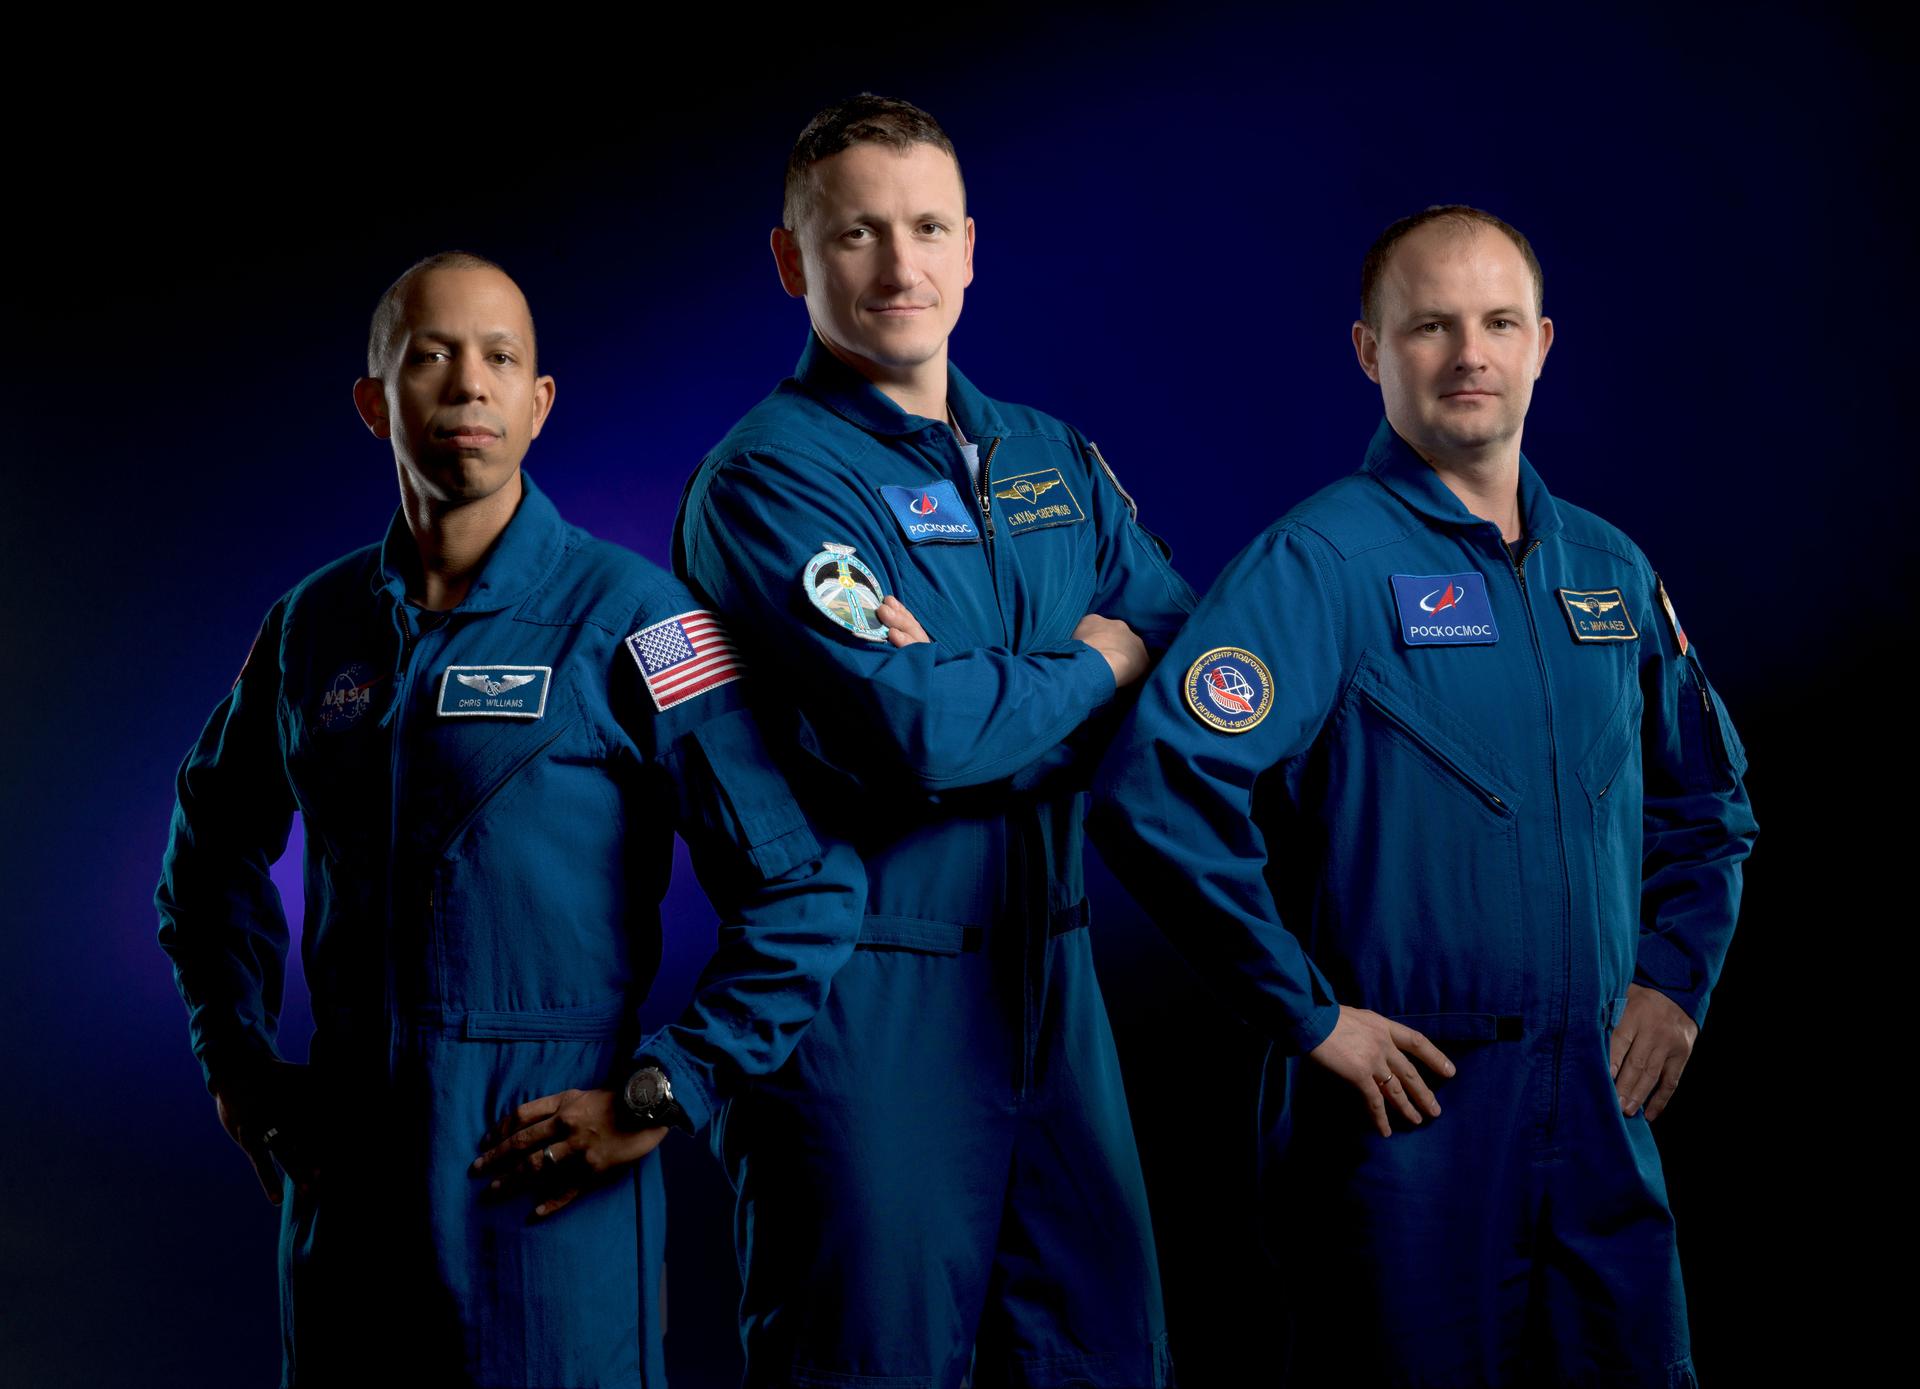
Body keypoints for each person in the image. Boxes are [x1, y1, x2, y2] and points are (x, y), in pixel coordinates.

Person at [155, 252, 863, 1389]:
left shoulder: (637, 620)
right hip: (354, 1177)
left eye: (499, 359)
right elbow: (210, 848)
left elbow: (803, 886)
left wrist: (664, 1087)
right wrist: (235, 1060)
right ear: (375, 403)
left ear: (538, 404)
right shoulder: (315, 627)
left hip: (541, 1169)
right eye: (431, 357)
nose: (467, 385)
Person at [1089, 206, 1758, 1387]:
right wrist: (1305, 1015)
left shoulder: (1608, 569)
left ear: (1543, 343)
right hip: (1409, 1131)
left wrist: (1673, 980)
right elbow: (1158, 791)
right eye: (1433, 325)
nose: (1470, 354)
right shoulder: (1319, 567)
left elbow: (1710, 806)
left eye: (1499, 322)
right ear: (1371, 350)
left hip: (1599, 1123)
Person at [672, 95, 1197, 1388]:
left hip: (1053, 988)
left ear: (970, 246)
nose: (898, 267)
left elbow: (1175, 639)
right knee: (869, 1357)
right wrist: (1092, 655)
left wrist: (998, 687)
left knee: (1103, 1354)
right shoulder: (770, 481)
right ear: (794, 262)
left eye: (924, 228)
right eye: (855, 233)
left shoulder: (1046, 455)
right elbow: (922, 737)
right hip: (866, 999)